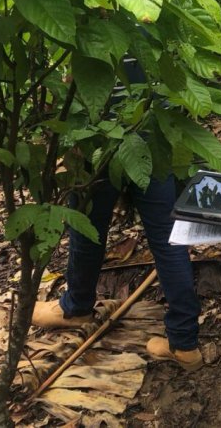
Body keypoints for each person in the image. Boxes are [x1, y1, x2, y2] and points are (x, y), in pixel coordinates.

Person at [31, 59, 203, 372]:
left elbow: (72, 80)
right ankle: (185, 342)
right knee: (168, 238)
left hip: (98, 137)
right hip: (149, 132)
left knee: (87, 226)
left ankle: (77, 307)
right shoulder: (154, 12)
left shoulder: (87, 18)